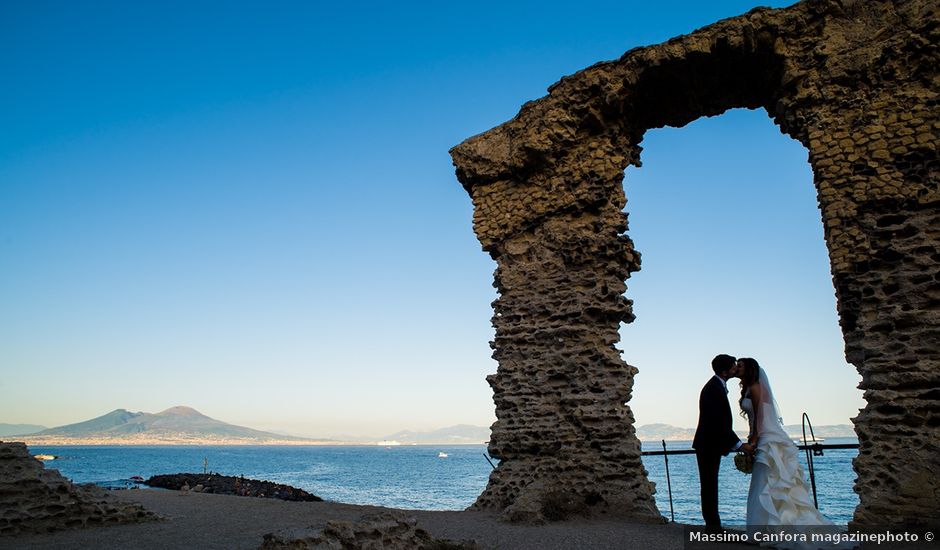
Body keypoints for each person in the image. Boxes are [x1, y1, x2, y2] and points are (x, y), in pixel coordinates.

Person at [737, 357, 848, 548]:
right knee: (767, 483)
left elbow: (761, 416)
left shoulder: (755, 387)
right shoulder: (748, 388)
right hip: (763, 435)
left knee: (767, 482)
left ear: (749, 369)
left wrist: (754, 439)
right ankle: (765, 528)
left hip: (767, 437)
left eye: (740, 366)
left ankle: (767, 530)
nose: (736, 368)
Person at [692, 354, 754, 531]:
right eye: (734, 366)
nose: (736, 368)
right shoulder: (713, 388)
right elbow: (718, 423)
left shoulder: (716, 386)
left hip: (708, 444)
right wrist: (740, 445)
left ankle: (713, 525)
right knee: (709, 485)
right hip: (707, 444)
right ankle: (713, 527)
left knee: (710, 485)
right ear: (725, 371)